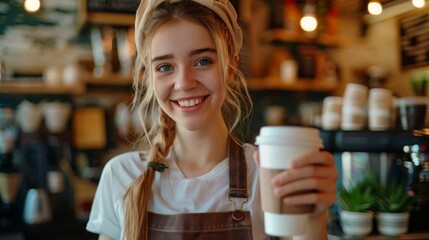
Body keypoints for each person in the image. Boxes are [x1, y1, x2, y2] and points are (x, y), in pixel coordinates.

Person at [86, 0, 338, 239]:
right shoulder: (122, 176)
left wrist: (314, 216)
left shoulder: (267, 174)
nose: (184, 83)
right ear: (149, 77)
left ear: (230, 68)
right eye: (164, 67)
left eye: (202, 61)